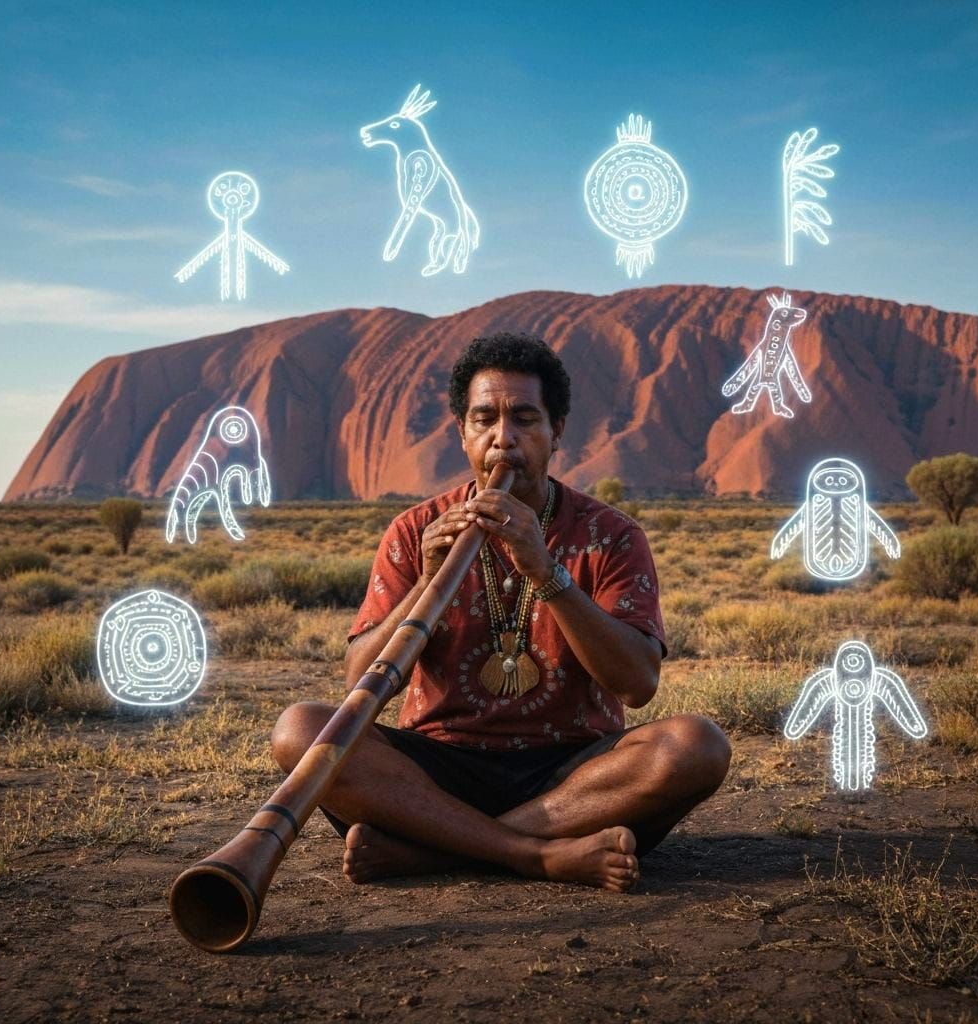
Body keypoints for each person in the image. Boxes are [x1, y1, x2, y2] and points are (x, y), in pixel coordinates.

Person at [272, 333, 731, 892]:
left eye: (525, 419)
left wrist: (545, 569)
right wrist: (426, 582)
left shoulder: (612, 536)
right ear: (462, 432)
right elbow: (358, 686)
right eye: (484, 419)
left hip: (574, 778)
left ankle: (434, 854)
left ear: (556, 432)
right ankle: (533, 855)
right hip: (437, 771)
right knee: (301, 729)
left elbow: (637, 684)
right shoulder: (415, 530)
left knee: (697, 746)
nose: (503, 439)